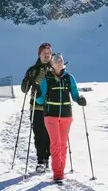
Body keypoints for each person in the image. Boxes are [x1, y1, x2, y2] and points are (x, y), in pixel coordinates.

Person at [36, 53, 86, 183]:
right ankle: (58, 174)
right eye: (56, 60)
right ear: (52, 64)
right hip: (50, 116)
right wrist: (37, 94)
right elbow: (40, 100)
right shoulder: (46, 79)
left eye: (61, 60)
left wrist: (80, 99)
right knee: (56, 144)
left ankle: (61, 171)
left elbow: (75, 94)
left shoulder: (69, 78)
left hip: (66, 116)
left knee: (63, 145)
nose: (59, 62)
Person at [21, 43, 53, 172]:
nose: (46, 55)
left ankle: (47, 158)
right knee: (39, 135)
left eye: (48, 53)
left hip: (53, 107)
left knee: (51, 136)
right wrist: (27, 80)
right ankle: (41, 160)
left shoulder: (55, 68)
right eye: (44, 53)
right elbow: (24, 89)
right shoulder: (33, 70)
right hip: (37, 107)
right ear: (39, 55)